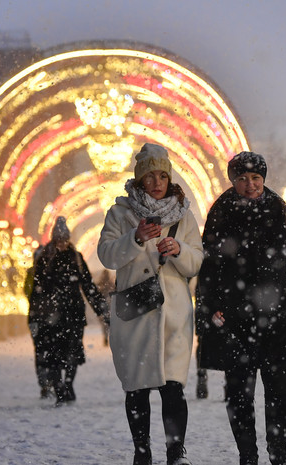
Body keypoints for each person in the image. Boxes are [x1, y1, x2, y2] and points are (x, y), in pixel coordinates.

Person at [196, 151, 286, 465]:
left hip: (277, 316)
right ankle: (247, 455)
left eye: (255, 178)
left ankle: (279, 453)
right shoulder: (221, 212)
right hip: (235, 317)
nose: (250, 185)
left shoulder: (281, 210)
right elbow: (209, 266)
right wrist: (208, 309)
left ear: (263, 178)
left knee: (280, 389)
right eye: (242, 179)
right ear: (233, 180)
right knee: (239, 392)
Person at [98, 143, 204, 465]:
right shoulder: (120, 214)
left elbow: (196, 261)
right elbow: (107, 255)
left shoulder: (184, 216)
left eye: (162, 175)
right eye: (150, 176)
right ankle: (141, 452)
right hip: (136, 311)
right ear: (139, 179)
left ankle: (176, 452)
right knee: (137, 389)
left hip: (173, 312)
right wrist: (136, 238)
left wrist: (179, 250)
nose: (157, 182)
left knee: (173, 387)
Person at [30, 216, 108, 406]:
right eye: (59, 239)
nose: (62, 243)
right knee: (54, 354)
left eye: (64, 239)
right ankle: (59, 388)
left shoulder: (76, 257)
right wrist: (35, 314)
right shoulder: (45, 259)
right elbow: (37, 288)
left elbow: (88, 285)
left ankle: (68, 384)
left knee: (72, 352)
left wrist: (100, 308)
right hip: (52, 316)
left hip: (73, 314)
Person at [25, 245, 51, 398]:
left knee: (39, 350)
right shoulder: (50, 272)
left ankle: (44, 383)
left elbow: (26, 292)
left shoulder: (31, 272)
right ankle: (50, 381)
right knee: (50, 349)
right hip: (48, 318)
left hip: (34, 318)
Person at [94, 269, 115, 346]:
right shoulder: (110, 283)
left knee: (105, 323)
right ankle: (108, 337)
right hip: (108, 305)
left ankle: (106, 337)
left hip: (103, 305)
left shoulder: (101, 284)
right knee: (108, 323)